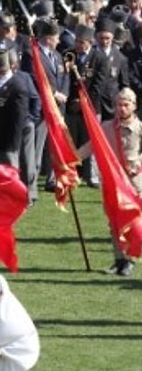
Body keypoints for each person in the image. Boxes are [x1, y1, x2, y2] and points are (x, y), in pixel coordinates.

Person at [76, 87, 142, 276]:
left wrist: (138, 163)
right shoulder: (105, 127)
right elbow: (90, 146)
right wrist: (71, 159)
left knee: (132, 223)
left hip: (133, 184)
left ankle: (130, 260)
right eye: (118, 105)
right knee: (114, 224)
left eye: (125, 105)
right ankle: (119, 260)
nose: (121, 108)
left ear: (134, 106)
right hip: (112, 184)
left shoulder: (139, 128)